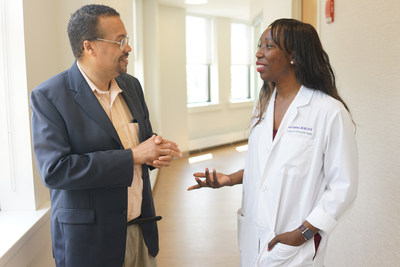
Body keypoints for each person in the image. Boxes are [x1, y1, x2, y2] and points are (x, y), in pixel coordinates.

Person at [188, 18, 358, 267]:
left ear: (293, 55)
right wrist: (230, 179)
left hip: (293, 243)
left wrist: (304, 233)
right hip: (255, 234)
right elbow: (269, 165)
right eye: (260, 45)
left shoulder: (329, 112)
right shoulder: (263, 106)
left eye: (268, 46)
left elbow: (344, 187)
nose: (258, 53)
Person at [30, 4, 182, 267]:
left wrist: (155, 149)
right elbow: (56, 170)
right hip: (91, 243)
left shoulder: (131, 85)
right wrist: (133, 156)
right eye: (120, 41)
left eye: (127, 39)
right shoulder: (49, 97)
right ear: (89, 47)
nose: (128, 48)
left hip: (141, 231)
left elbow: (138, 140)